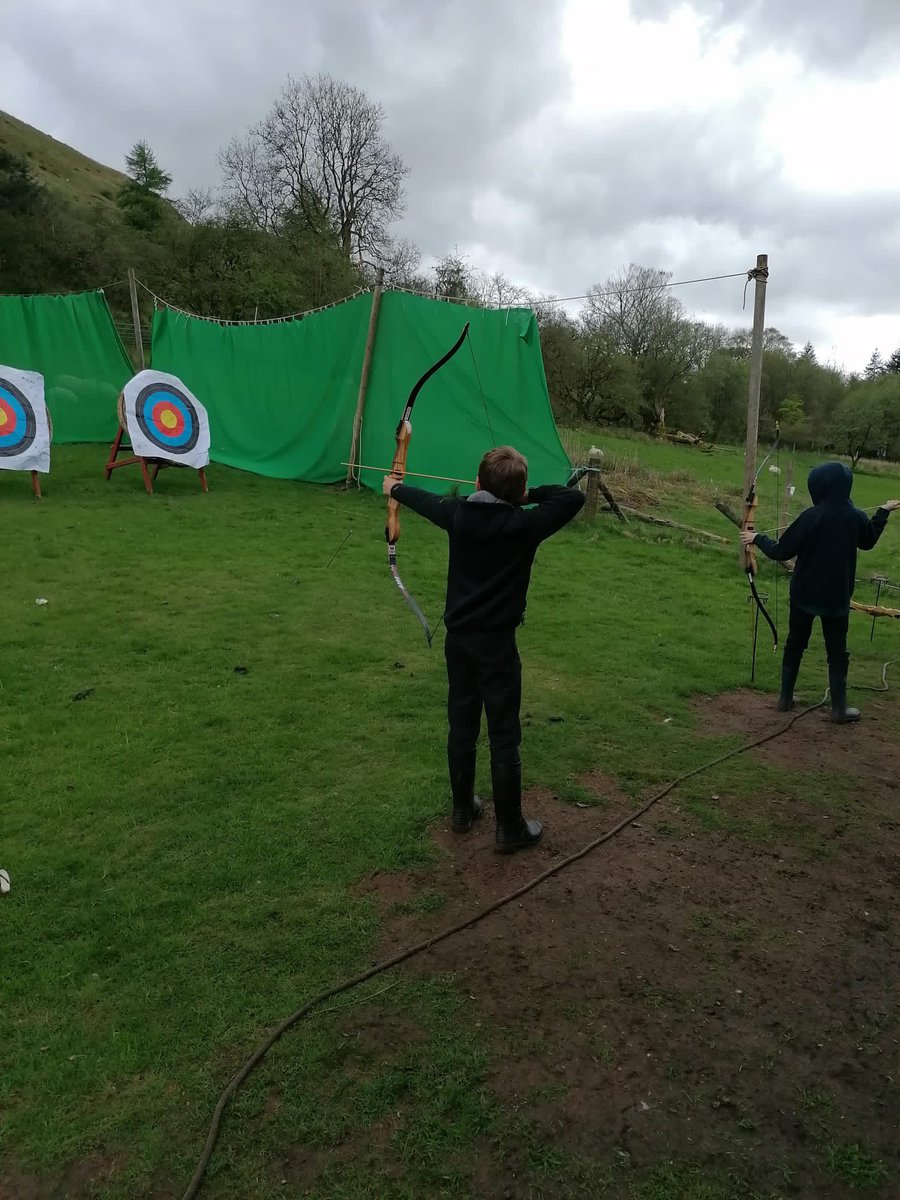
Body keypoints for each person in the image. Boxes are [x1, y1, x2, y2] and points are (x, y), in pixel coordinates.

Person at [383, 446, 585, 853]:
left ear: (476, 484)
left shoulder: (459, 515)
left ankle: (462, 812)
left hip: (458, 643)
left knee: (462, 727)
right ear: (519, 490)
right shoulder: (526, 525)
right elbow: (572, 497)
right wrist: (525, 496)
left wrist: (395, 489)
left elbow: (425, 500)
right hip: (497, 647)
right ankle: (507, 828)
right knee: (504, 735)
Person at [740, 461, 899, 722]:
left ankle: (784, 699)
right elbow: (868, 541)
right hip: (836, 598)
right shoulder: (856, 516)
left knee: (795, 644)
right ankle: (839, 709)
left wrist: (756, 538)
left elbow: (782, 551)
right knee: (837, 652)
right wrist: (882, 512)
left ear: (821, 487)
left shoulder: (811, 516)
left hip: (804, 595)